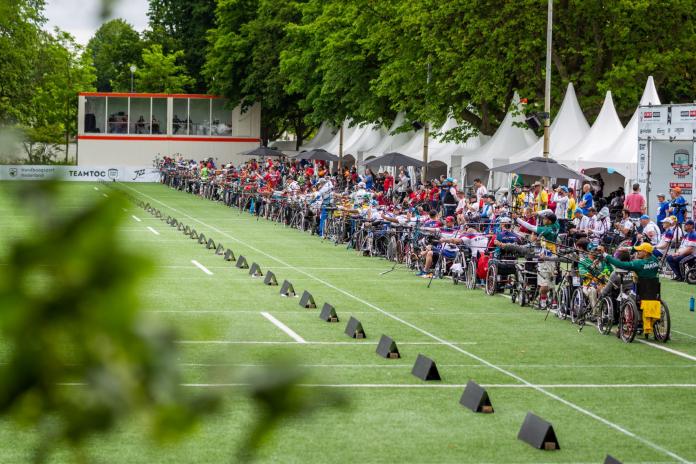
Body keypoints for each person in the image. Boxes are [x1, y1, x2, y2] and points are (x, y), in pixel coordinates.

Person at [601, 242, 661, 336]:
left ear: (645, 252)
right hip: (653, 293)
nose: (637, 253)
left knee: (622, 299)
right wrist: (628, 248)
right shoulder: (655, 260)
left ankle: (623, 325)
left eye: (639, 251)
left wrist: (606, 255)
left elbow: (620, 264)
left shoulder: (638, 263)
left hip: (638, 294)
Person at [515, 211, 560, 309]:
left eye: (544, 218)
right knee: (550, 280)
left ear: (548, 221)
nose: (542, 220)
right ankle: (550, 300)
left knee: (545, 283)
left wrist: (517, 219)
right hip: (552, 257)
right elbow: (551, 211)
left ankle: (543, 301)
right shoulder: (556, 224)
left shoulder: (546, 230)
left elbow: (530, 227)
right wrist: (538, 213)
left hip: (545, 258)